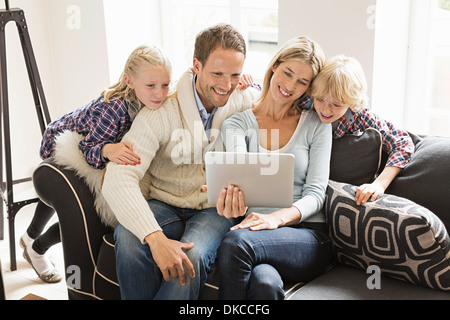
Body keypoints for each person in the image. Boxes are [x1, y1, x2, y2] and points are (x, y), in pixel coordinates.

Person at [101, 24, 259, 300]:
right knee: (128, 237)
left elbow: (285, 102)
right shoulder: (161, 110)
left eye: (235, 74)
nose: (226, 85)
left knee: (193, 256)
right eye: (217, 73)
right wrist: (155, 238)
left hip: (216, 209)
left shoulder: (244, 100)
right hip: (164, 203)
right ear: (197, 65)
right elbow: (117, 179)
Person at [20, 45, 172, 283]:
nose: (160, 93)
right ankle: (36, 247)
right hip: (71, 140)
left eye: (165, 85)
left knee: (63, 201)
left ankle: (30, 237)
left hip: (95, 138)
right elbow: (87, 148)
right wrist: (107, 149)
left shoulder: (155, 100)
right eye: (151, 86)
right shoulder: (114, 109)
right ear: (129, 82)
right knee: (82, 209)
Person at [216, 36, 333, 300]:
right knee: (264, 284)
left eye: (302, 82)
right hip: (257, 236)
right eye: (288, 73)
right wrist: (231, 196)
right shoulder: (237, 125)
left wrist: (274, 219)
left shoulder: (318, 125)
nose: (290, 86)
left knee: (235, 243)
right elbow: (240, 176)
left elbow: (316, 194)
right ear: (274, 67)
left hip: (306, 236)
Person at [309, 55, 415, 205]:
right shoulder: (305, 105)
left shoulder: (361, 115)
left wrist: (379, 184)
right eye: (319, 100)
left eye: (336, 105)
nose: (325, 109)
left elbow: (402, 143)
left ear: (352, 103)